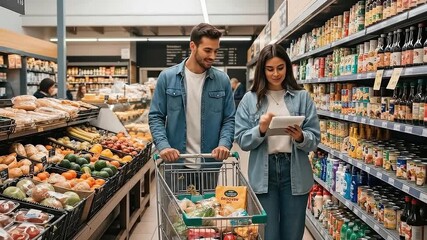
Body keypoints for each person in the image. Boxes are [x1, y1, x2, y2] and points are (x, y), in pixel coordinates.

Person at [234, 44, 320, 240]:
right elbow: (241, 139)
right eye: (270, 69)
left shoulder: (302, 98)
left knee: (293, 233)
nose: (275, 74)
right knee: (268, 233)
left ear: (287, 67)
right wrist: (261, 129)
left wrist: (300, 137)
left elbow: (314, 140)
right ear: (262, 70)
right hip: (264, 173)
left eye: (280, 68)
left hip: (294, 171)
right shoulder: (250, 99)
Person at [149, 23, 235, 192]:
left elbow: (229, 118)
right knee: (175, 215)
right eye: (208, 50)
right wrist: (164, 146)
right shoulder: (167, 78)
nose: (213, 56)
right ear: (193, 46)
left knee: (207, 215)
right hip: (176, 163)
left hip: (209, 162)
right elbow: (156, 117)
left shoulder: (222, 80)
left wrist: (224, 144)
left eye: (216, 51)